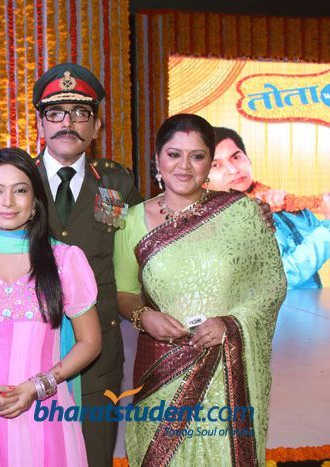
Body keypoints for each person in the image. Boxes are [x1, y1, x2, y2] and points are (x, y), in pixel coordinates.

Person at [114, 114, 286, 466]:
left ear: (209, 163)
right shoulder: (129, 221)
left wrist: (230, 325)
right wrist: (144, 316)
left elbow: (270, 285)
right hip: (161, 362)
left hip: (225, 365)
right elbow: (122, 292)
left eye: (197, 156)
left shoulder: (241, 213)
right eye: (174, 154)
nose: (184, 166)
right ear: (157, 159)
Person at [0, 147, 102, 466]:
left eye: (20, 190)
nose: (8, 202)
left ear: (35, 200)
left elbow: (91, 341)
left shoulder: (64, 259)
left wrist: (37, 387)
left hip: (45, 406)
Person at [31, 62, 143, 465]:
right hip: (31, 349)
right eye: (55, 113)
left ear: (96, 127)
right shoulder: (16, 181)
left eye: (80, 113)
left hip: (99, 354)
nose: (68, 123)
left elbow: (151, 241)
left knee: (94, 455)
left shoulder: (116, 183)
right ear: (40, 124)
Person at [206, 127, 330, 288]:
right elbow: (282, 277)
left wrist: (294, 207)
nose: (234, 169)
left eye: (236, 157)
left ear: (248, 159)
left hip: (311, 302)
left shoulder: (273, 202)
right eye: (216, 165)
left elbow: (316, 241)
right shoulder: (217, 222)